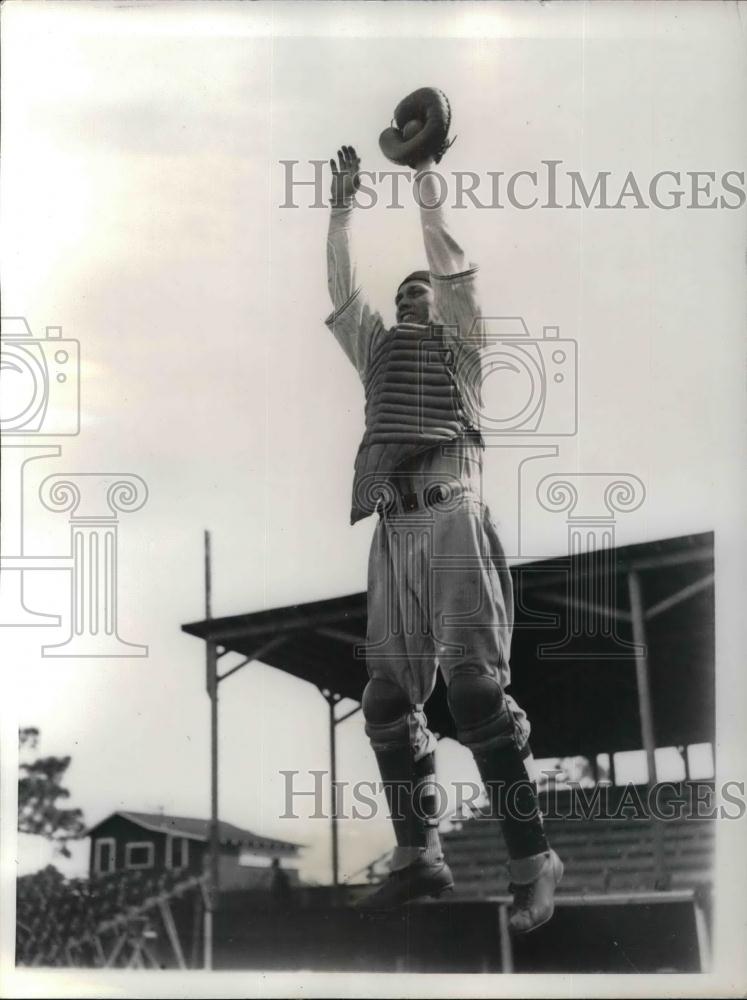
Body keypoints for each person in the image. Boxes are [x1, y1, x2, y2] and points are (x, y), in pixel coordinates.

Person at [324, 145, 562, 933]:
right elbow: (342, 292)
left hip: (453, 515)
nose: (411, 295)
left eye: (421, 288)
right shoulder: (377, 355)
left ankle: (533, 860)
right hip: (392, 527)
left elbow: (451, 263)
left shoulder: (460, 348)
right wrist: (341, 207)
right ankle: (417, 855)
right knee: (386, 699)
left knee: (472, 693)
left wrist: (423, 179)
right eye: (403, 294)